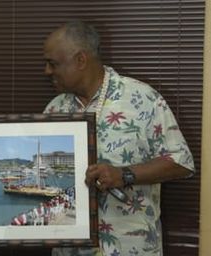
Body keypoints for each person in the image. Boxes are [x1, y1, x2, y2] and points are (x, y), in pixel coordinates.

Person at [43, 21, 195, 256]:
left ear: (81, 60)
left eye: (53, 64)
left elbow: (181, 162)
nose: (47, 71)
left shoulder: (143, 99)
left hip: (132, 248)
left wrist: (124, 174)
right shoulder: (54, 110)